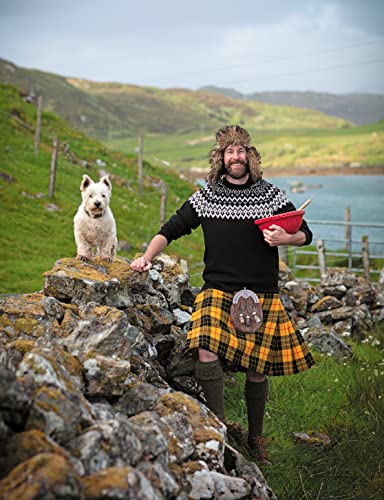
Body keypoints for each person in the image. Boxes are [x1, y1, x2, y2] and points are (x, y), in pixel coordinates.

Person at [130, 125, 315, 465]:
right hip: (218, 291)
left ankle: (257, 438)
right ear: (220, 158)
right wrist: (145, 257)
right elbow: (171, 228)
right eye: (229, 152)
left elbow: (305, 232)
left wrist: (284, 239)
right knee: (204, 348)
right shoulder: (206, 197)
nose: (236, 157)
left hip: (262, 293)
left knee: (258, 368)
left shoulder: (270, 196)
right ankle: (219, 430)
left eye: (241, 151)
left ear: (250, 156)